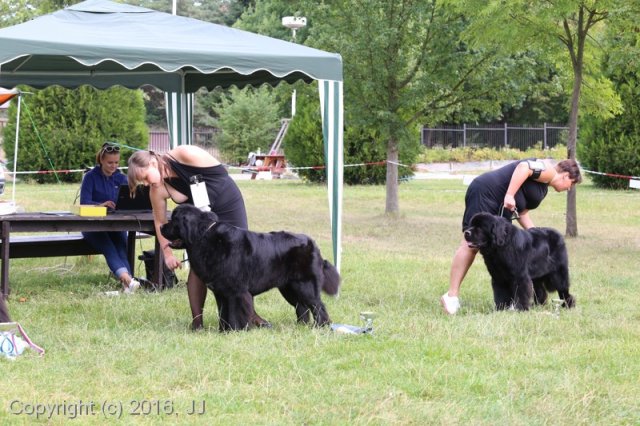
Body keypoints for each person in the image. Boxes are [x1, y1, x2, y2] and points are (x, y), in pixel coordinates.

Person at [127, 146, 269, 330]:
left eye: (145, 177)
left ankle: (250, 315)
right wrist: (168, 253)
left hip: (225, 202)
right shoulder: (157, 190)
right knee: (199, 264)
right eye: (141, 182)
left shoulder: (184, 154)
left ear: (154, 162)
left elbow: (219, 172)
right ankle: (197, 322)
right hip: (200, 217)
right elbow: (160, 223)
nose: (146, 184)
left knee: (239, 260)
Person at [441, 158, 582, 315]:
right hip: (487, 193)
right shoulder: (549, 171)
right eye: (572, 183)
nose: (569, 189)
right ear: (566, 175)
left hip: (500, 204)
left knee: (503, 247)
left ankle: (509, 302)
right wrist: (509, 194)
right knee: (471, 243)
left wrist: (537, 237)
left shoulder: (543, 187)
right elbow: (523, 166)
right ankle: (451, 296)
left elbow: (521, 213)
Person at [80, 142, 140, 293]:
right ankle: (127, 280)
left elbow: (130, 201)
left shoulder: (121, 178)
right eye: (110, 163)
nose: (114, 166)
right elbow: (84, 203)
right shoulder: (90, 177)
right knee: (108, 246)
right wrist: (101, 205)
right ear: (101, 160)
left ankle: (127, 283)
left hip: (115, 224)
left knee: (121, 246)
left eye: (116, 162)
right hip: (92, 225)